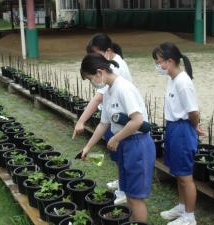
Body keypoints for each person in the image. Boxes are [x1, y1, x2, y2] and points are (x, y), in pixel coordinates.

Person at [79, 53, 155, 222]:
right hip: (125, 145)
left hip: (137, 145)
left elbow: (137, 121)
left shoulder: (123, 88)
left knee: (136, 197)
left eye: (91, 78)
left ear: (99, 72)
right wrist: (88, 147)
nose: (92, 83)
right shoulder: (108, 91)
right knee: (128, 193)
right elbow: (103, 124)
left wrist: (116, 138)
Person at [72, 33, 132, 204]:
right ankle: (122, 184)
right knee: (117, 156)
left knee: (122, 157)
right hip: (113, 119)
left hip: (123, 124)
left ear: (107, 52)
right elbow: (104, 120)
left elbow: (99, 98)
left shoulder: (115, 72)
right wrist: (88, 146)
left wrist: (81, 121)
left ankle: (124, 189)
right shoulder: (110, 70)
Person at [152, 42, 200, 225]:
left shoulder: (182, 82)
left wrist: (193, 127)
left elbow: (193, 112)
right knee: (179, 174)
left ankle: (190, 217)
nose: (158, 65)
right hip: (173, 128)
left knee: (186, 176)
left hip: (182, 130)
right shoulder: (172, 79)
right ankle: (182, 206)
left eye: (159, 61)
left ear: (170, 61)